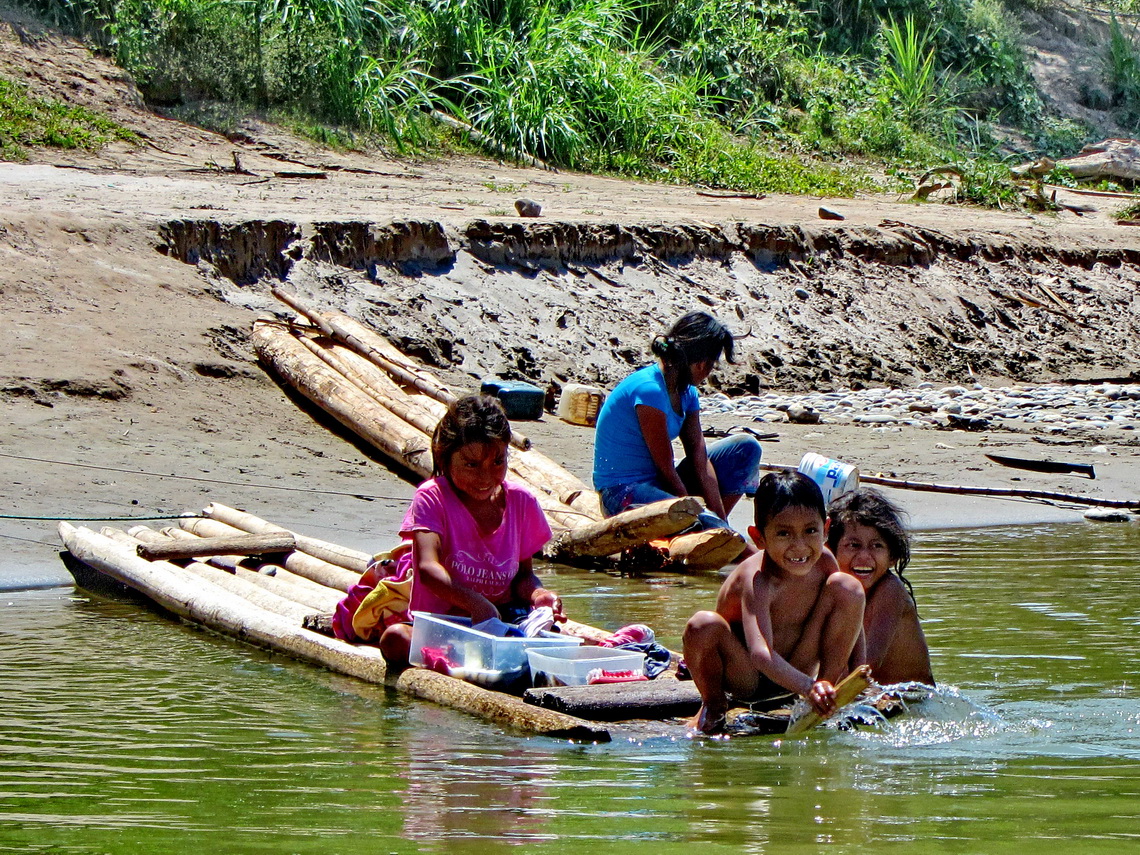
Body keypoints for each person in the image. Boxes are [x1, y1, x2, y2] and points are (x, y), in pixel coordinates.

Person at [334, 395, 564, 664]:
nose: (485, 478)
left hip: (502, 621)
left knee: (552, 642)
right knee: (396, 639)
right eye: (471, 464)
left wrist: (539, 595)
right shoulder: (432, 498)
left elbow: (524, 578)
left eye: (497, 462)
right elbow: (428, 569)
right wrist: (475, 604)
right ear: (445, 458)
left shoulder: (521, 502)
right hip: (444, 625)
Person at [682, 470, 865, 734]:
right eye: (784, 534)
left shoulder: (824, 560)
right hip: (747, 679)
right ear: (759, 538)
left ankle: (828, 689)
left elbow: (852, 619)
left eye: (810, 531)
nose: (800, 546)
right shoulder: (758, 580)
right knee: (702, 624)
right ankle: (713, 704)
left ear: (826, 529)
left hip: (798, 669)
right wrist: (806, 686)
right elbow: (760, 653)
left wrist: (858, 676)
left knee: (848, 587)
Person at [592, 311, 761, 540]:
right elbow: (666, 468)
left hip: (658, 485)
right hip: (621, 493)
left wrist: (723, 523)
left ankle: (713, 536)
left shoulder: (687, 392)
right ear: (702, 364)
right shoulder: (649, 390)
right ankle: (708, 535)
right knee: (700, 520)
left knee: (746, 448)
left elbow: (700, 461)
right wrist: (691, 510)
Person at [828, 488, 934, 686]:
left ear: (892, 557)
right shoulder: (834, 590)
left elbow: (869, 664)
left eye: (877, 546)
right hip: (873, 694)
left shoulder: (890, 591)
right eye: (853, 545)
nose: (864, 557)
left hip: (912, 703)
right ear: (831, 550)